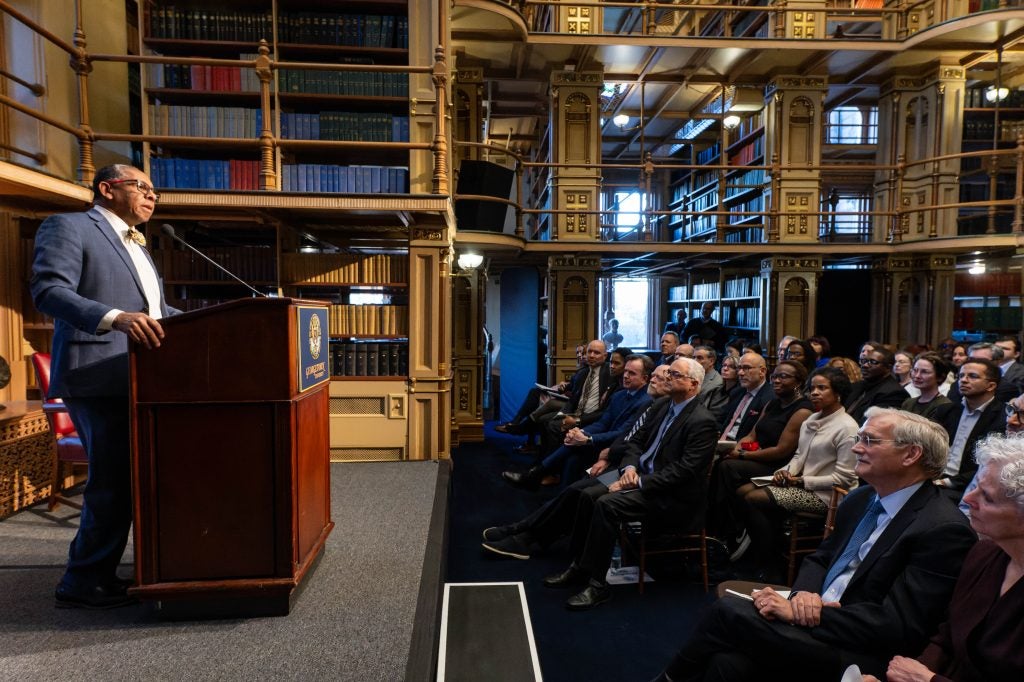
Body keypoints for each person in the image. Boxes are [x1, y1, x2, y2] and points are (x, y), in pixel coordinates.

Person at [653, 407, 977, 682]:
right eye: (858, 438)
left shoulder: (942, 528)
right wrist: (803, 595)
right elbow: (820, 558)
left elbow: (897, 626)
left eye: (869, 441)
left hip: (859, 649)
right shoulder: (862, 498)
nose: (856, 449)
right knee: (726, 664)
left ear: (911, 454)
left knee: (728, 613)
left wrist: (803, 614)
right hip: (816, 621)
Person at [31, 163, 181, 609]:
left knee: (130, 478)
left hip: (138, 376)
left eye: (155, 191)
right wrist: (115, 318)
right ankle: (82, 581)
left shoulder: (138, 244)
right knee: (113, 480)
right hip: (95, 372)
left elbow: (153, 310)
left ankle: (101, 571)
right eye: (142, 187)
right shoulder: (70, 226)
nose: (152, 196)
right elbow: (48, 291)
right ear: (106, 188)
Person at [482, 357, 718, 611]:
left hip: (669, 495)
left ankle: (598, 584)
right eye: (668, 373)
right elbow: (635, 442)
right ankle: (577, 565)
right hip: (633, 474)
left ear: (693, 384)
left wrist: (636, 481)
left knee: (605, 504)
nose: (668, 378)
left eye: (675, 375)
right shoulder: (662, 406)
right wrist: (629, 468)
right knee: (583, 492)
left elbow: (683, 472)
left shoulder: (702, 421)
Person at [864, 433, 1024, 682]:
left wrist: (927, 680)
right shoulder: (985, 555)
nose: (968, 499)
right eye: (976, 487)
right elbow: (946, 637)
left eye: (988, 497)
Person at [737, 367, 859, 583]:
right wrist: (785, 472)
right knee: (743, 491)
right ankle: (768, 556)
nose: (815, 393)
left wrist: (802, 480)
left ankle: (770, 564)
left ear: (837, 392)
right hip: (803, 486)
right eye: (812, 388)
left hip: (830, 496)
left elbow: (845, 478)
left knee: (753, 499)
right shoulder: (812, 420)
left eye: (822, 388)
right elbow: (799, 456)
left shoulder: (847, 427)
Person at [501, 354, 652, 488]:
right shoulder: (619, 395)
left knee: (572, 449)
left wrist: (588, 438)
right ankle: (551, 491)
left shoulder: (646, 401)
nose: (625, 376)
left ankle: (535, 475)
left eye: (632, 373)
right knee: (572, 453)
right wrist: (580, 433)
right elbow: (602, 423)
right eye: (625, 371)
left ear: (645, 378)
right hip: (602, 441)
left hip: (618, 449)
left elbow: (623, 433)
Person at [717, 360, 814, 558]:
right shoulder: (772, 404)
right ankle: (729, 529)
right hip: (757, 460)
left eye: (784, 376)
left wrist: (743, 455)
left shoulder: (802, 410)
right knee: (723, 464)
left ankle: (727, 530)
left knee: (728, 468)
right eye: (775, 376)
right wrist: (735, 448)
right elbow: (752, 436)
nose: (777, 380)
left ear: (799, 381)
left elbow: (781, 451)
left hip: (780, 467)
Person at [933, 358, 1005, 501]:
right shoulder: (946, 411)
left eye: (972, 376)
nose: (963, 380)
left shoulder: (1002, 418)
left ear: (990, 386)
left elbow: (991, 465)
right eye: (961, 376)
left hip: (969, 487)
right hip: (934, 477)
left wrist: (946, 482)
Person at [845, 344, 909, 424]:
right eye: (864, 361)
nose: (865, 365)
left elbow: (872, 424)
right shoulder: (857, 386)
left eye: (873, 362)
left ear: (888, 368)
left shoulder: (894, 393)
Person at [901, 351, 952, 419]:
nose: (917, 376)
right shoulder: (908, 403)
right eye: (915, 370)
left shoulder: (944, 405)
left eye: (924, 372)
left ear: (939, 377)